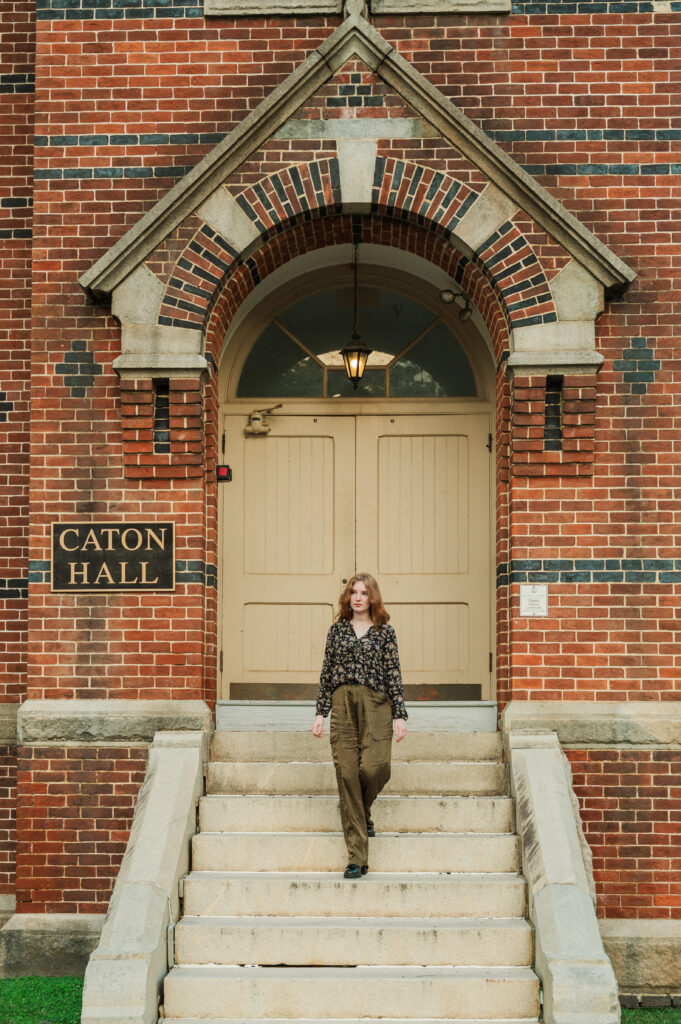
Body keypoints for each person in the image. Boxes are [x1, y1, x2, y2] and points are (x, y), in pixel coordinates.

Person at [312, 573, 407, 880]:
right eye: (353, 592)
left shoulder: (385, 632)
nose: (357, 597)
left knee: (375, 768)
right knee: (347, 774)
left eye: (364, 592)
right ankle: (357, 857)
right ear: (347, 597)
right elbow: (327, 672)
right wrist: (320, 713)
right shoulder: (336, 631)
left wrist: (400, 714)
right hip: (342, 703)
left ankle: (362, 813)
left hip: (377, 703)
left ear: (372, 597)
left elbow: (393, 672)